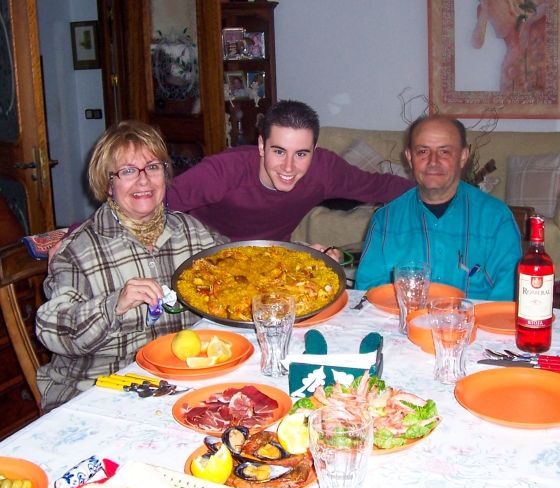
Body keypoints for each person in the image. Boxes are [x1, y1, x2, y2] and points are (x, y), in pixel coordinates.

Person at [36, 121, 226, 412]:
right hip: (96, 392)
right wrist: (114, 305)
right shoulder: (79, 249)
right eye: (127, 171)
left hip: (175, 385)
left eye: (152, 167)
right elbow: (52, 330)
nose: (143, 181)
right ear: (108, 184)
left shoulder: (193, 233)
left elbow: (240, 268)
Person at [166, 100, 414, 243]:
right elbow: (159, 202)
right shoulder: (224, 171)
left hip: (274, 259)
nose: (288, 167)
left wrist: (447, 192)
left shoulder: (325, 170)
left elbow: (380, 186)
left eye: (301, 154)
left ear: (314, 150)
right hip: (209, 250)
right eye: (279, 151)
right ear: (262, 145)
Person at [355, 115, 522, 301]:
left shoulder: (496, 220)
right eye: (423, 151)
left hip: (475, 327)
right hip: (400, 328)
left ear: (463, 156)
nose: (433, 162)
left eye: (444, 152)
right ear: (409, 158)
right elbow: (368, 295)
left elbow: (508, 299)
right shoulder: (384, 221)